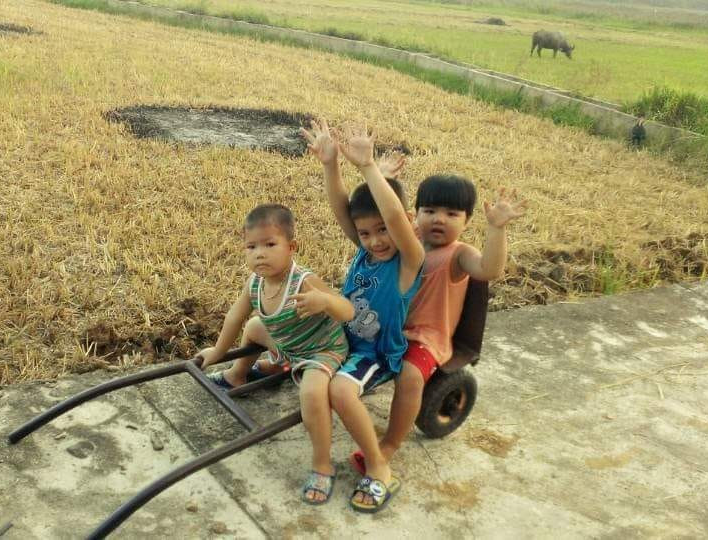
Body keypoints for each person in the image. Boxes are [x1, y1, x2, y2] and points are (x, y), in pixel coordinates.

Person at [346, 173, 527, 481]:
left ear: (467, 221)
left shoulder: (460, 255)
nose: (438, 219)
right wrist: (382, 179)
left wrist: (497, 228)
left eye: (452, 214)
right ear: (414, 214)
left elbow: (490, 269)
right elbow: (382, 215)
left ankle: (389, 444)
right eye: (429, 211)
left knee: (409, 376)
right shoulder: (407, 239)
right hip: (387, 326)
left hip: (426, 337)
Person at [301, 119, 424, 513]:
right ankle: (260, 366)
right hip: (338, 338)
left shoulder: (407, 261)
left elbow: (395, 219)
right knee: (266, 324)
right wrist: (330, 164)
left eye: (382, 231)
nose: (374, 240)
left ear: (404, 223)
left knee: (339, 391)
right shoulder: (366, 251)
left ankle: (379, 466)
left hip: (373, 352)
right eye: (365, 233)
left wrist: (369, 167)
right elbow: (344, 211)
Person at [196, 203, 355, 505]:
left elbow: (347, 311)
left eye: (270, 245)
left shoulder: (303, 280)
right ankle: (237, 374)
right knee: (254, 325)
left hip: (321, 351)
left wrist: (324, 301)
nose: (260, 254)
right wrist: (218, 351)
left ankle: (323, 465)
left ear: (291, 247)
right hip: (289, 345)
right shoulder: (255, 283)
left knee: (312, 393)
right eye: (251, 246)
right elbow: (234, 317)